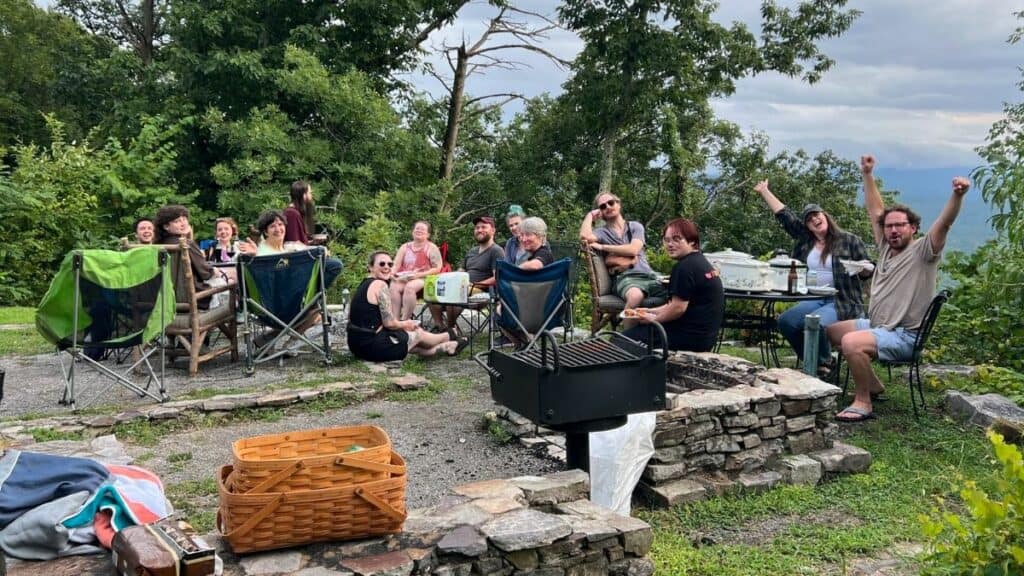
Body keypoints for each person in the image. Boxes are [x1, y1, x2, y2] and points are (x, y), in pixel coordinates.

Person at [827, 155, 970, 422]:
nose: (893, 230)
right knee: (833, 332)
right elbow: (874, 210)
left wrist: (958, 195)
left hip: (905, 336)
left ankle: (863, 401)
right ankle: (873, 384)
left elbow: (945, 223)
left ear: (913, 228)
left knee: (851, 342)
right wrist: (867, 174)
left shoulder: (924, 252)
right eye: (889, 226)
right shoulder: (885, 248)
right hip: (879, 325)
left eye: (900, 225)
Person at [753, 180, 873, 375]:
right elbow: (786, 217)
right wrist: (765, 191)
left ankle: (821, 365)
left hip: (842, 301)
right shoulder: (806, 242)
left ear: (825, 216)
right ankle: (818, 363)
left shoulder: (849, 240)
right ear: (808, 227)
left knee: (817, 323)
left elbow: (869, 269)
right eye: (809, 220)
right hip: (813, 297)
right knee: (786, 321)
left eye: (817, 215)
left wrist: (862, 269)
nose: (814, 220)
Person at [623, 219, 724, 352]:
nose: (670, 244)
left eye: (677, 239)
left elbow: (677, 309)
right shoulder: (700, 261)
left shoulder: (684, 267)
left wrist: (653, 320)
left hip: (689, 338)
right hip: (704, 336)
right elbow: (676, 304)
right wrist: (649, 311)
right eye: (667, 240)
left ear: (692, 241)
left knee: (623, 341)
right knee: (635, 331)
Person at [347, 251, 468, 361]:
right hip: (372, 346)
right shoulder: (379, 285)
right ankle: (448, 336)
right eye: (382, 264)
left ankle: (448, 346)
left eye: (390, 264)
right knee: (417, 334)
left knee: (412, 344)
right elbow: (389, 323)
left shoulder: (364, 284)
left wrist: (402, 327)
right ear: (370, 267)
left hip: (356, 345)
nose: (386, 267)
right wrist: (406, 324)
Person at [579, 192, 668, 311]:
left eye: (611, 203)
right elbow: (584, 237)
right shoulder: (601, 232)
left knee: (681, 291)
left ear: (618, 204)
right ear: (600, 212)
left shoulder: (635, 226)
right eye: (603, 206)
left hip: (648, 275)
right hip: (624, 278)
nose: (608, 207)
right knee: (635, 296)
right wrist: (589, 215)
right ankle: (629, 330)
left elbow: (633, 250)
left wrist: (603, 247)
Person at [432, 216, 505, 332]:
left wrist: (474, 284)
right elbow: (461, 271)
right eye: (477, 228)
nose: (479, 230)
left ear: (493, 230)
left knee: (455, 292)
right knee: (433, 291)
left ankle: (451, 330)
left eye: (483, 227)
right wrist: (447, 279)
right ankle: (440, 327)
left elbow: (498, 278)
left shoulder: (496, 251)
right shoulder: (472, 251)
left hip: (482, 291)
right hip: (463, 287)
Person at [237, 210, 342, 289]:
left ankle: (315, 297)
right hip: (282, 296)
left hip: (296, 289)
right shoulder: (262, 252)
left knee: (333, 264)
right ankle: (314, 300)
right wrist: (255, 255)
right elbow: (266, 274)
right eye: (272, 226)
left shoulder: (287, 247)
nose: (278, 229)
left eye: (280, 224)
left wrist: (319, 251)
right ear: (265, 232)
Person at [154, 205, 230, 309]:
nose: (183, 223)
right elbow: (206, 273)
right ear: (166, 226)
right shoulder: (186, 244)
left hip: (164, 301)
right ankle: (236, 317)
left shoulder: (156, 247)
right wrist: (216, 271)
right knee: (228, 284)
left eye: (184, 219)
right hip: (193, 299)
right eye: (177, 221)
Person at [390, 221, 443, 321]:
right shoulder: (405, 247)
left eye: (422, 229)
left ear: (428, 234)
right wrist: (392, 273)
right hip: (406, 276)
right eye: (417, 228)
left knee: (410, 287)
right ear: (412, 232)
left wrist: (418, 275)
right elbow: (396, 265)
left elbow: (437, 268)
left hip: (424, 277)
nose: (419, 230)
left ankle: (405, 320)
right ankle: (395, 320)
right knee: (394, 286)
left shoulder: (432, 247)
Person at [284, 180, 316, 245]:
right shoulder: (291, 214)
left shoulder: (296, 212)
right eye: (310, 193)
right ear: (304, 195)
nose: (311, 196)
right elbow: (293, 245)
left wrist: (311, 242)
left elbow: (299, 242)